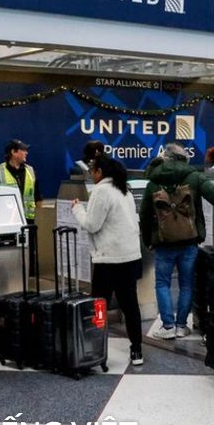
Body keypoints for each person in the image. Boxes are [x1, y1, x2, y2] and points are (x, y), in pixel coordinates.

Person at [140, 143, 214, 339]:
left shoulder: (153, 182)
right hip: (189, 241)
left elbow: (145, 215)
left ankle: (167, 327)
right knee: (186, 284)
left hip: (163, 243)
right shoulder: (195, 177)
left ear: (166, 158)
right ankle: (181, 326)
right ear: (184, 159)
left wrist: (148, 240)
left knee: (162, 283)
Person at [71, 156, 144, 365]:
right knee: (130, 305)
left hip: (109, 259)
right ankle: (137, 350)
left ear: (100, 172)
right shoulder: (124, 189)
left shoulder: (101, 191)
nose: (91, 174)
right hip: (130, 256)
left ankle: (95, 350)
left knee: (99, 306)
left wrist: (77, 209)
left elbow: (91, 224)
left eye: (92, 171)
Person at [0, 139, 41, 225]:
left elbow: (38, 198)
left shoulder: (31, 171)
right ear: (13, 152)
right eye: (23, 150)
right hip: (7, 221)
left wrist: (40, 220)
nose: (26, 153)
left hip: (30, 221)